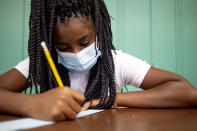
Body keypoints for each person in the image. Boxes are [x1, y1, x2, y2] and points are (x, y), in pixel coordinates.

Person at [0, 0, 196, 121]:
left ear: (99, 30)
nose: (76, 54)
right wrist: (30, 104)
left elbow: (187, 92)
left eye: (85, 43)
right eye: (63, 47)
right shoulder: (41, 64)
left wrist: (113, 99)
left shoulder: (116, 63)